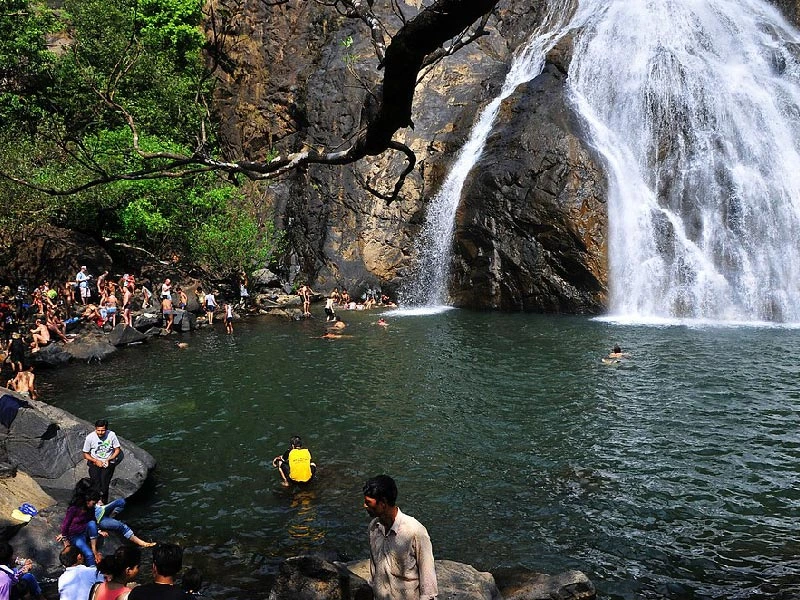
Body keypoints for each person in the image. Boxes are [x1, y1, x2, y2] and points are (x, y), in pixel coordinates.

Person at [363, 475, 437, 600]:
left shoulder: (415, 532)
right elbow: (374, 570)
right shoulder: (373, 528)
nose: (364, 506)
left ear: (383, 503)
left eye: (368, 502)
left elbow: (428, 587)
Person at [87, 490, 156, 551]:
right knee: (121, 526)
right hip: (99, 520)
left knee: (121, 502)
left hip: (101, 510)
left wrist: (99, 503)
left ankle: (111, 518)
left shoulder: (91, 500)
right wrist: (99, 531)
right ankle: (142, 543)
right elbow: (89, 523)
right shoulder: (84, 509)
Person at [57, 488, 100, 567]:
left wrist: (99, 531)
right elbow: (65, 524)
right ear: (87, 501)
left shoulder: (90, 509)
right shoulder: (74, 509)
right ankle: (92, 572)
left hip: (85, 530)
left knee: (92, 523)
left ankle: (94, 549)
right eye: (93, 503)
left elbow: (93, 519)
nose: (94, 505)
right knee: (89, 554)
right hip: (75, 535)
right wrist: (65, 538)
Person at [83, 419, 122, 503]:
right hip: (95, 461)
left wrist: (109, 459)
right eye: (98, 430)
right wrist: (95, 460)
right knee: (95, 483)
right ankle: (95, 502)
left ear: (106, 429)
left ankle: (103, 501)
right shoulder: (90, 437)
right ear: (95, 429)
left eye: (103, 430)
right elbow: (85, 454)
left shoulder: (111, 435)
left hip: (108, 461)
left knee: (104, 483)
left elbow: (117, 449)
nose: (100, 432)